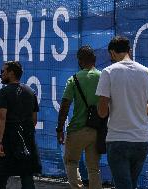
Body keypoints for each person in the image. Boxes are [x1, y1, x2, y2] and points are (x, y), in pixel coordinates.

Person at [96, 36, 148, 189]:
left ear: (112, 53)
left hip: (118, 139)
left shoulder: (108, 72)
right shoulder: (147, 72)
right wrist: (138, 106)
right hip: (141, 140)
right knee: (131, 184)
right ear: (129, 50)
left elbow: (102, 112)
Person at [56, 45, 102, 189]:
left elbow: (65, 105)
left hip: (76, 129)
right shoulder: (103, 77)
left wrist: (59, 129)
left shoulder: (73, 79)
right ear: (94, 59)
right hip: (97, 130)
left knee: (71, 162)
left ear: (80, 61)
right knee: (94, 168)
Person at [0, 61, 41, 189]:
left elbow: (1, 117)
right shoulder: (31, 92)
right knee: (27, 176)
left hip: (9, 140)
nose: (1, 74)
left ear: (11, 73)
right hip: (27, 140)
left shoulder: (4, 92)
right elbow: (34, 120)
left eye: (3, 71)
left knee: (2, 176)